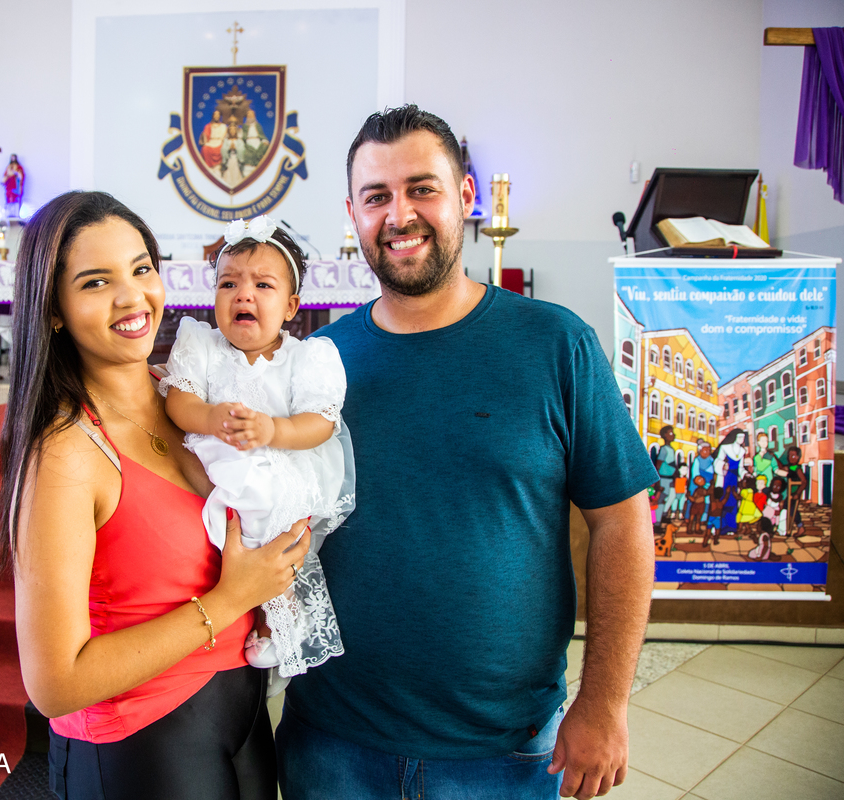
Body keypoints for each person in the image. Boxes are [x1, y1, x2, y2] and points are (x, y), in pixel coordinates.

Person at [276, 105, 657, 800]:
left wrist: (605, 702)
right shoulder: (317, 363)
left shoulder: (556, 346)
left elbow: (622, 523)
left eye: (422, 188)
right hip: (331, 741)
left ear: (466, 196)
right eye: (376, 196)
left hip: (502, 751)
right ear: (353, 214)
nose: (400, 215)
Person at [0, 191, 312, 799]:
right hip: (143, 744)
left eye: (142, 269)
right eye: (95, 282)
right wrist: (230, 599)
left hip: (243, 718)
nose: (132, 297)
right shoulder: (66, 453)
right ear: (54, 310)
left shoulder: (187, 400)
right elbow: (54, 683)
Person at [162, 215, 353, 685]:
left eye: (262, 285)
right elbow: (179, 400)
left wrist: (273, 430)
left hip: (279, 459)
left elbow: (320, 422)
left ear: (290, 306)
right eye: (228, 283)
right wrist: (210, 417)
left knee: (266, 503)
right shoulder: (202, 345)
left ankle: (278, 611)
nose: (243, 295)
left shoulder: (306, 358)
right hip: (216, 455)